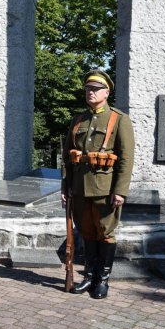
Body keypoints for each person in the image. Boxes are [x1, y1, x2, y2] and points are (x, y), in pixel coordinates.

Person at [62, 69, 135, 299]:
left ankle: (103, 280)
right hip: (80, 189)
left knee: (105, 233)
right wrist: (66, 187)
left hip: (105, 190)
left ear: (106, 92)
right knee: (87, 232)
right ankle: (90, 276)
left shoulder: (119, 119)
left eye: (95, 89)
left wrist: (120, 191)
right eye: (87, 89)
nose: (90, 93)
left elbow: (126, 159)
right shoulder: (77, 120)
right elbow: (68, 158)